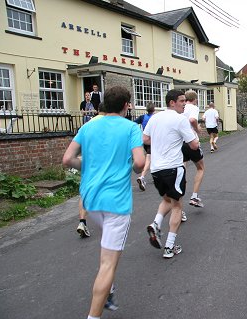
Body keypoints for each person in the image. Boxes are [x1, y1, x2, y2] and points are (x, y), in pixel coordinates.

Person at [63, 86, 145, 318]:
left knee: (106, 250)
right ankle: (94, 314)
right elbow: (139, 163)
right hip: (116, 203)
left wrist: (87, 166)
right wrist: (135, 162)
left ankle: (108, 286)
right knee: (108, 264)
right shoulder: (130, 128)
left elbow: (67, 159)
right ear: (125, 105)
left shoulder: (87, 126)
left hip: (90, 201)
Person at [143, 90, 199, 258]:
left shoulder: (155, 118)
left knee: (167, 199)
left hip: (156, 170)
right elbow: (194, 145)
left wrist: (161, 141)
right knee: (177, 206)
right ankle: (169, 247)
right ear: (172, 102)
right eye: (181, 101)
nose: (184, 104)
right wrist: (193, 136)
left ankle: (155, 223)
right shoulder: (180, 119)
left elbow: (145, 139)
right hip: (174, 168)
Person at [76, 102, 107, 238]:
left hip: (87, 162)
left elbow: (76, 147)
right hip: (102, 163)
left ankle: (82, 221)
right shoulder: (108, 124)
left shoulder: (86, 126)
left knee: (85, 192)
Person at [182, 90, 205, 209]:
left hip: (180, 142)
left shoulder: (181, 108)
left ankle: (178, 202)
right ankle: (194, 196)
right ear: (195, 99)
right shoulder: (193, 108)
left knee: (182, 171)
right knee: (200, 168)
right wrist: (197, 129)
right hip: (191, 141)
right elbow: (192, 120)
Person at [134, 102, 156, 191]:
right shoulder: (155, 118)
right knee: (149, 159)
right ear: (154, 109)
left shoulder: (142, 117)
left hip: (144, 140)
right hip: (152, 141)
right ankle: (142, 177)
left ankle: (154, 176)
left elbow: (133, 123)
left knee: (152, 158)